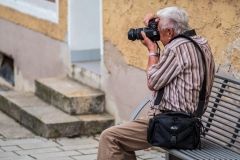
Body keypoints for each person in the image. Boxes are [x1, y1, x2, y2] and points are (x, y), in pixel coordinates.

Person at [97, 6, 215, 160]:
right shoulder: (201, 43)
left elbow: (152, 82)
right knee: (121, 140)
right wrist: (158, 20)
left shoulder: (176, 48)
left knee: (110, 138)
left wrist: (152, 50)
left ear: (170, 32)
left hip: (171, 124)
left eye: (158, 31)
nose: (157, 36)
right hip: (187, 123)